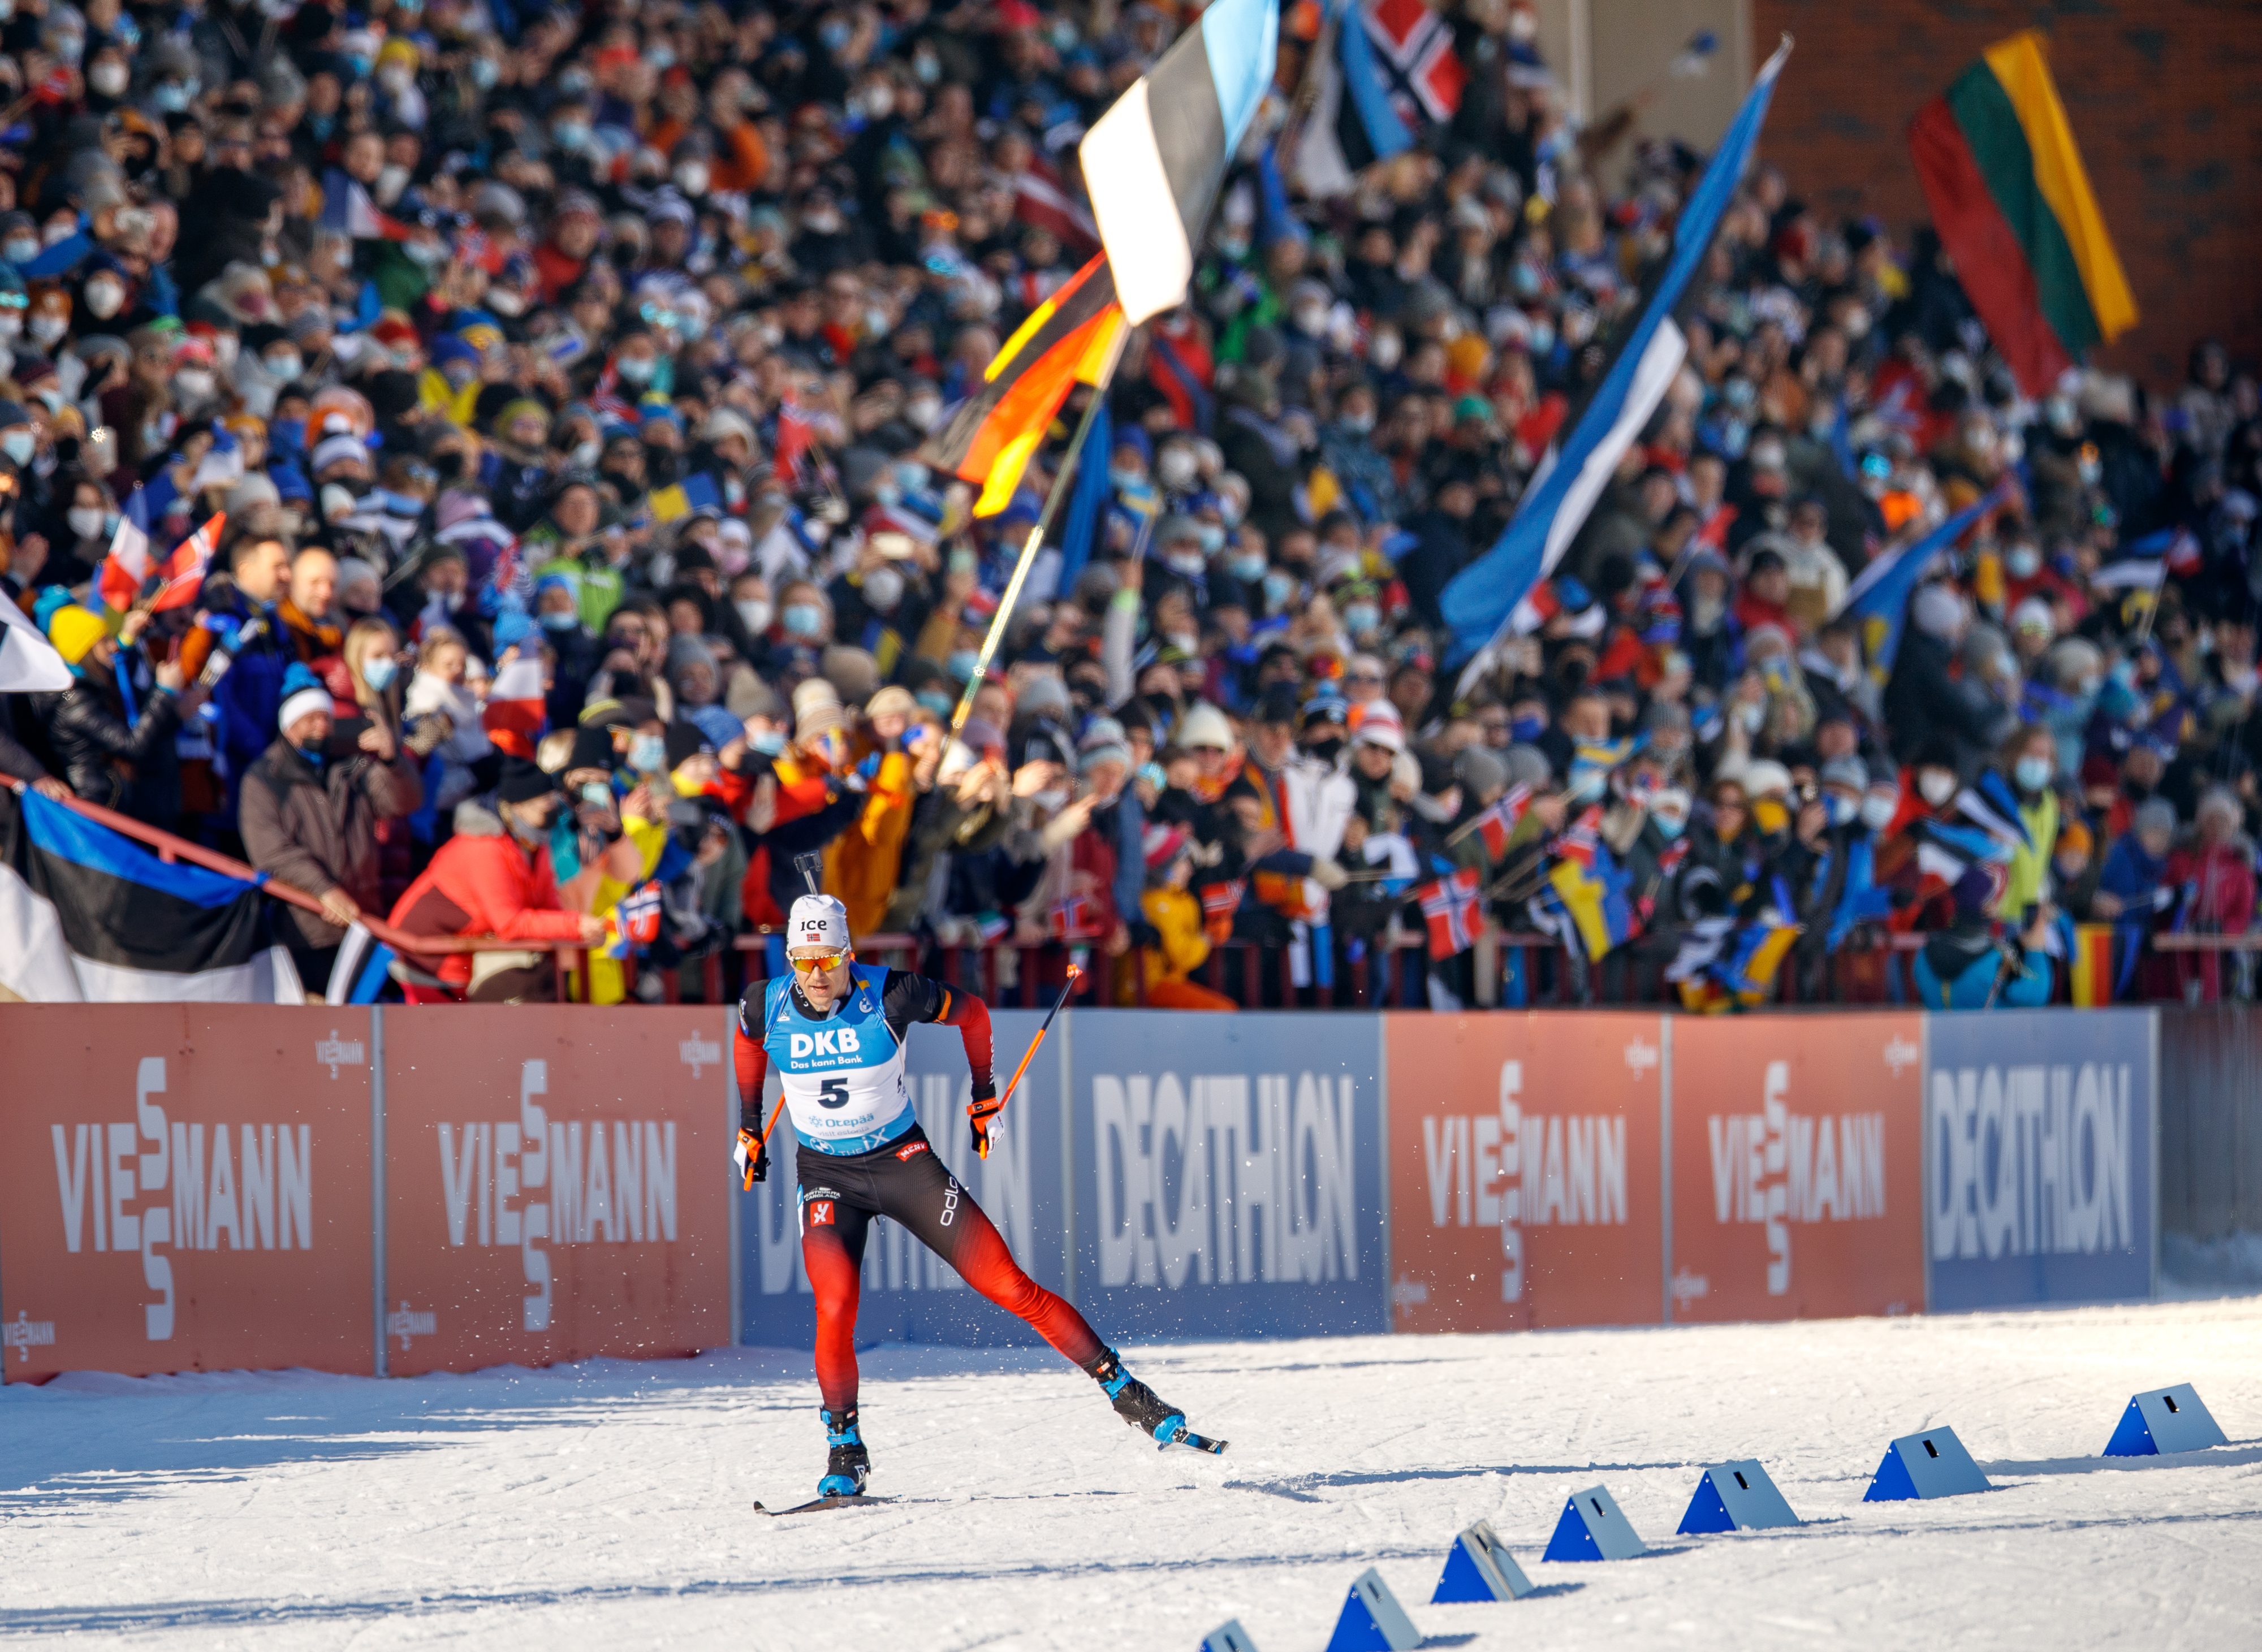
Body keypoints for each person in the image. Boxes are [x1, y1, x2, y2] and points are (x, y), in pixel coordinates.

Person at [731, 892, 1211, 1500]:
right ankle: (845, 1447)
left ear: (849, 954)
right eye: (803, 961)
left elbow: (975, 1014)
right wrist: (750, 1125)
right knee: (834, 1306)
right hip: (828, 1174)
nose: (816, 976)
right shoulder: (764, 1003)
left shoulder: (895, 992)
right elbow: (748, 1041)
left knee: (1010, 1286)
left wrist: (983, 1096)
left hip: (902, 1163)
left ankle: (1127, 1393)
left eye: (828, 959)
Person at [238, 664, 424, 993]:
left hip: (361, 919)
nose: (322, 727)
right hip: (305, 927)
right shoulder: (264, 778)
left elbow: (402, 803)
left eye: (325, 718)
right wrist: (323, 889)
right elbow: (270, 851)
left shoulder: (351, 763)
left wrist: (392, 761)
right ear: (289, 725)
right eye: (311, 719)